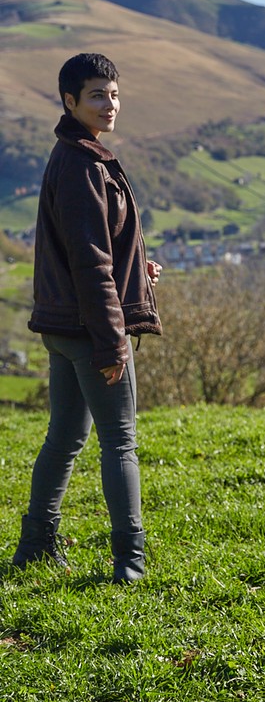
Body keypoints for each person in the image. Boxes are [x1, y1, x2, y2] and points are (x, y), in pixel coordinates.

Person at [12, 53, 162, 584]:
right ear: (70, 101)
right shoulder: (81, 165)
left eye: (115, 93)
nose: (110, 103)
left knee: (65, 437)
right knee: (119, 441)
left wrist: (136, 268)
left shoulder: (80, 156)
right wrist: (111, 343)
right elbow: (89, 263)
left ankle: (35, 545)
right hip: (88, 328)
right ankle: (131, 562)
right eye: (98, 95)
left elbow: (98, 249)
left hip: (63, 325)